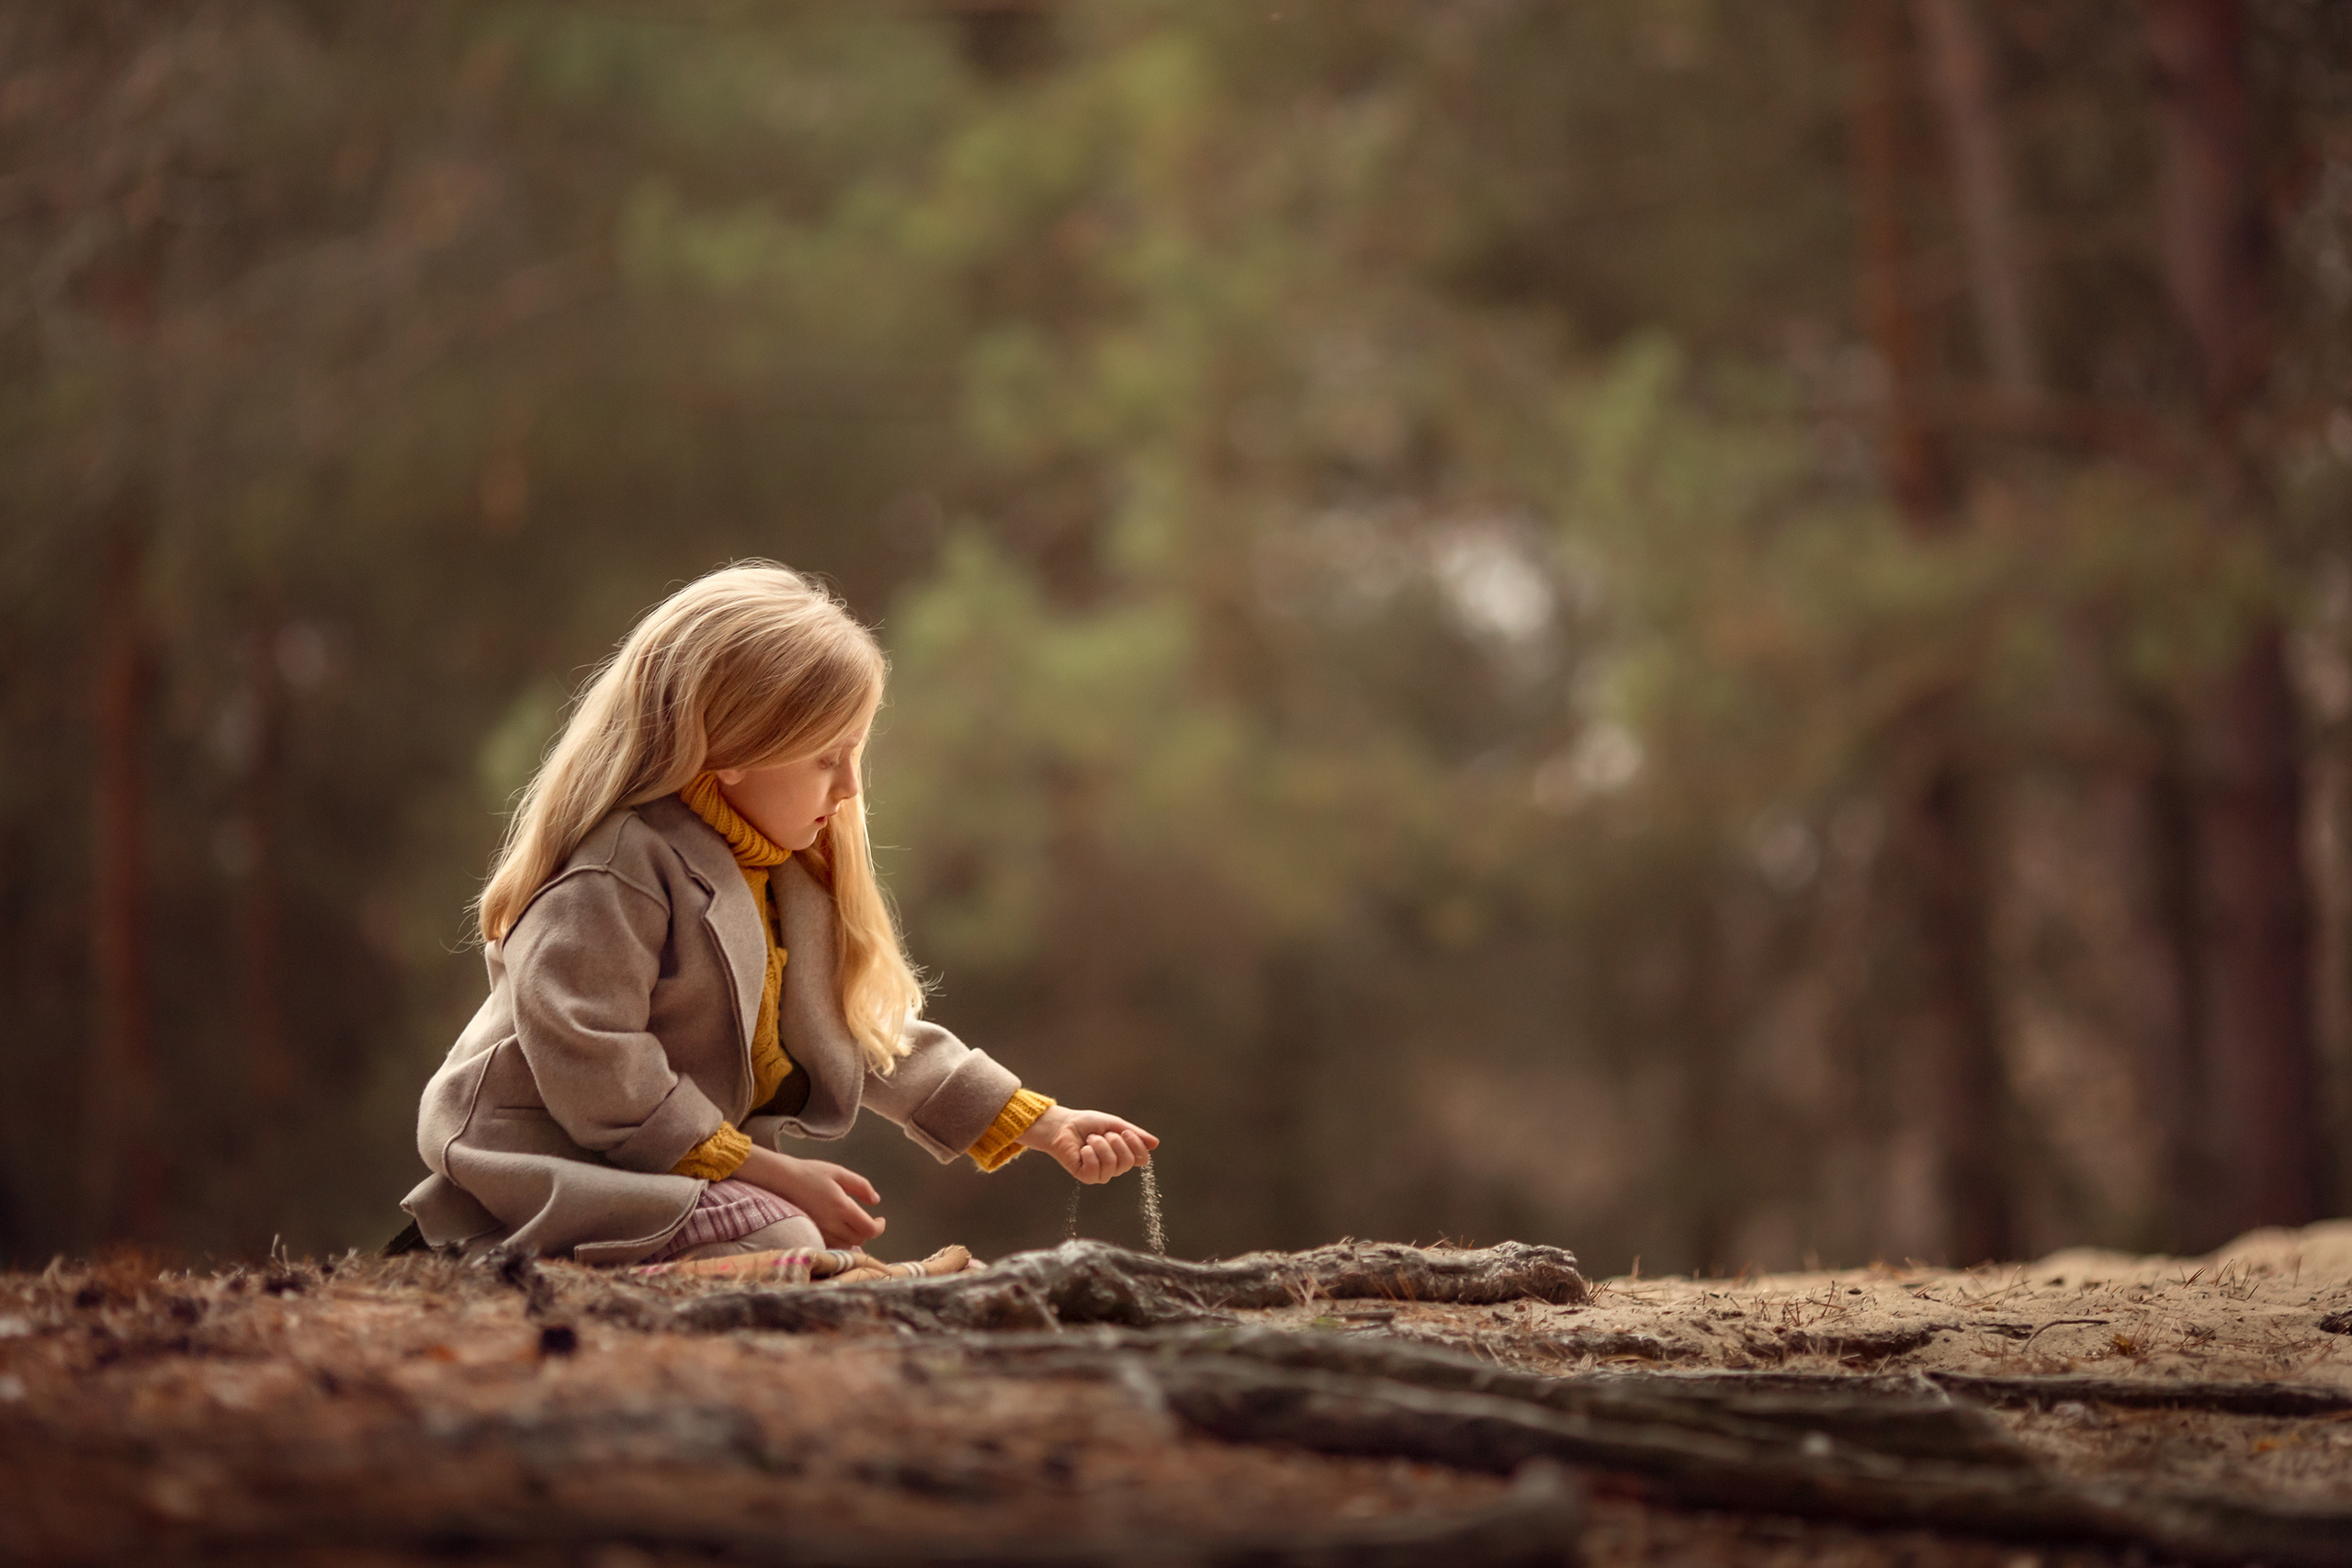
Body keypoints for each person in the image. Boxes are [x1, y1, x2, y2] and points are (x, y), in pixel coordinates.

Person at [399, 562, 1157, 1265]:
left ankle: (802, 1268)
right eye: (828, 758)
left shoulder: (781, 875)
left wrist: (1038, 1123)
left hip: (662, 1167)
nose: (852, 787)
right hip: (545, 1162)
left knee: (780, 1229)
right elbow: (595, 1064)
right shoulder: (616, 870)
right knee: (783, 1228)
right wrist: (774, 1173)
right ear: (732, 748)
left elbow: (858, 1029)